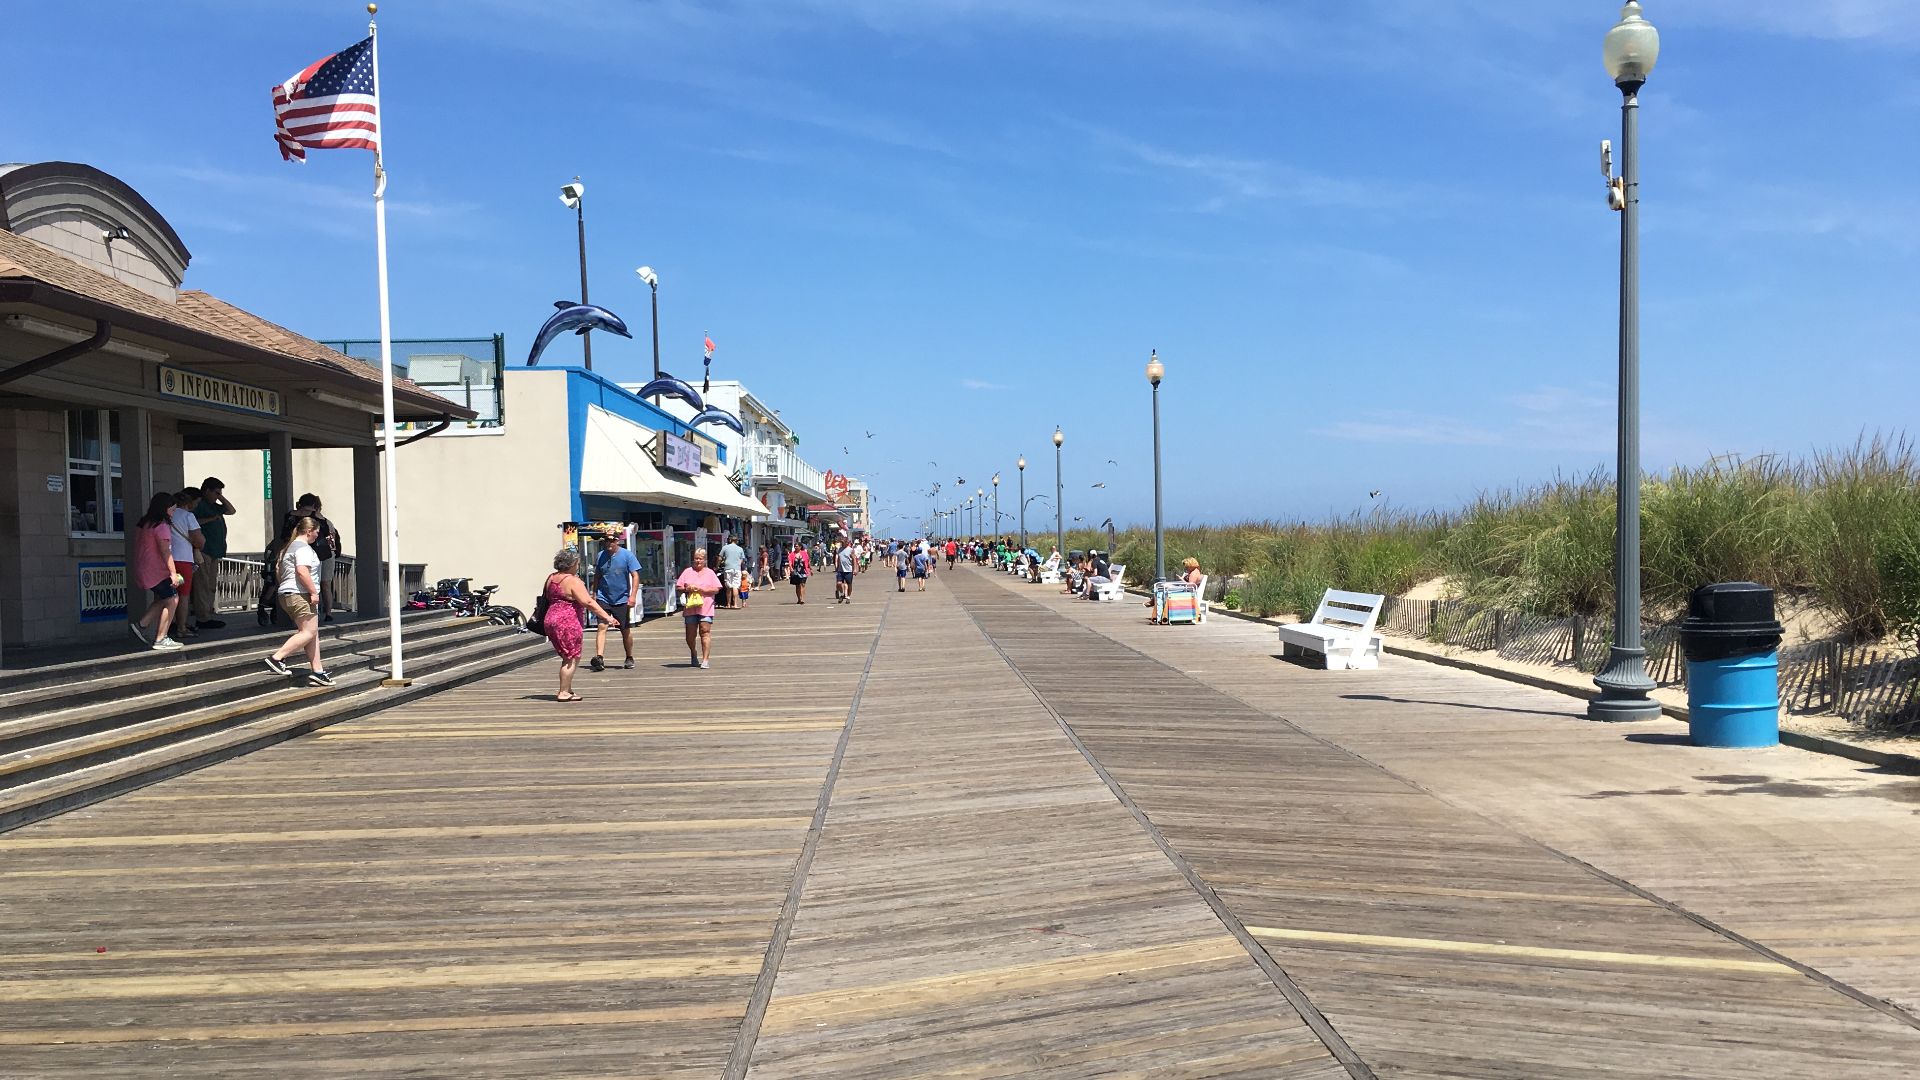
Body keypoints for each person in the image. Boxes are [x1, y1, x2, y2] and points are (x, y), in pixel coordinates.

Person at [262, 515, 335, 685]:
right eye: (316, 532)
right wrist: (313, 592)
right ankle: (277, 658)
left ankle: (318, 671)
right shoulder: (302, 548)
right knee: (308, 632)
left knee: (311, 633)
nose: (318, 536)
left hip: (288, 593)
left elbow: (280, 571)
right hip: (300, 594)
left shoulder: (288, 548)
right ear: (309, 531)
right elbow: (302, 571)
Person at [540, 548, 615, 701]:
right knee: (571, 657)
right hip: (567, 621)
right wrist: (607, 617)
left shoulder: (551, 578)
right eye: (577, 564)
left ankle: (567, 688)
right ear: (572, 564)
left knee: (566, 655)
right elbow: (588, 602)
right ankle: (563, 692)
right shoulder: (573, 581)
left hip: (550, 619)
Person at [128, 491, 186, 651]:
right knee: (173, 599)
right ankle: (161, 638)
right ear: (164, 509)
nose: (173, 514)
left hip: (143, 569)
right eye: (172, 510)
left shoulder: (144, 524)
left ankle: (143, 624)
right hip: (156, 571)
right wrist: (174, 573)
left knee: (164, 598)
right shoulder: (161, 526)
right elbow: (165, 552)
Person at [284, 494, 341, 622]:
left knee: (302, 582)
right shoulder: (320, 519)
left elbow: (284, 534)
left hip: (296, 551)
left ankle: (310, 611)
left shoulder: (291, 516)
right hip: (322, 554)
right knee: (324, 584)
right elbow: (329, 534)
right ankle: (327, 612)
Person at [589, 532, 640, 671]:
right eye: (606, 540)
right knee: (602, 626)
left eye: (611, 540)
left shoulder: (627, 555)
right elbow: (598, 575)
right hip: (603, 597)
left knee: (625, 629)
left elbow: (635, 575)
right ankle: (599, 657)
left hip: (622, 598)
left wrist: (633, 596)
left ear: (617, 541)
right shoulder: (601, 555)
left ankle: (629, 656)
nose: (608, 543)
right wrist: (594, 594)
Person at [190, 478, 235, 631]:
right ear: (207, 490)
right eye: (216, 492)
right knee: (202, 584)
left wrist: (221, 497)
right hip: (204, 550)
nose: (218, 496)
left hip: (216, 550)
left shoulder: (215, 506)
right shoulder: (199, 505)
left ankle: (208, 613)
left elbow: (231, 510)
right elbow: (192, 522)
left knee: (210, 585)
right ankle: (202, 617)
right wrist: (210, 519)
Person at [166, 487, 205, 637]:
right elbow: (199, 540)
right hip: (183, 561)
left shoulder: (166, 516)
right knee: (183, 594)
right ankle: (181, 627)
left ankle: (167, 625)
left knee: (167, 593)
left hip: (167, 560)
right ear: (188, 503)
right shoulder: (188, 516)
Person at [676, 546, 722, 668]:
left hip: (706, 607)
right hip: (690, 607)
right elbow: (679, 586)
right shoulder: (687, 572)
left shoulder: (710, 573)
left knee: (705, 631)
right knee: (690, 636)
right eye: (696, 558)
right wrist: (687, 589)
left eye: (701, 559)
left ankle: (705, 659)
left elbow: (717, 589)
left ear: (705, 560)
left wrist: (702, 589)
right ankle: (693, 652)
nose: (698, 561)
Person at [718, 534, 746, 609]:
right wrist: (738, 564)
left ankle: (728, 604)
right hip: (737, 569)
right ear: (737, 541)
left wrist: (717, 565)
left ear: (730, 540)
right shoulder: (740, 549)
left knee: (728, 587)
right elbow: (742, 559)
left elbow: (720, 558)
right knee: (735, 586)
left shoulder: (725, 547)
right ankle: (735, 604)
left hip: (728, 568)